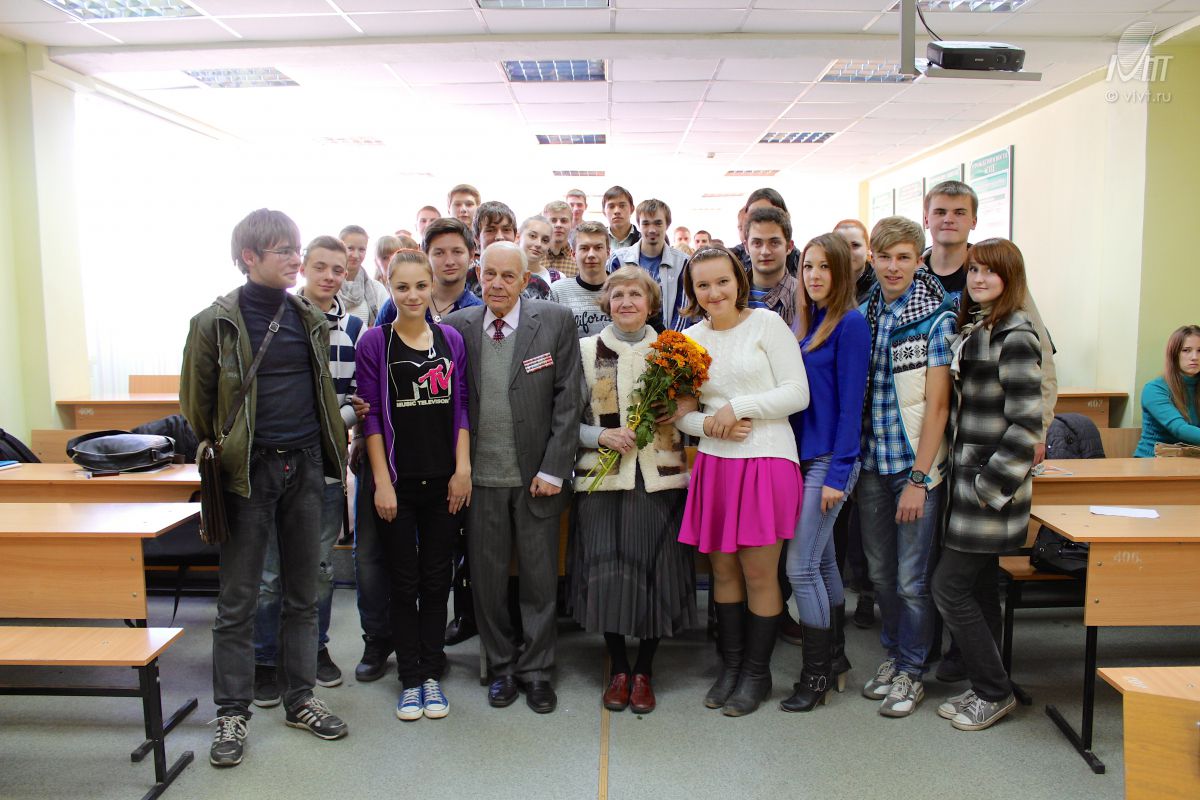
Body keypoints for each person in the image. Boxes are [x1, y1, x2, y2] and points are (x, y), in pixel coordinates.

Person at [181, 209, 349, 768]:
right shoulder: (214, 323)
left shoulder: (307, 316)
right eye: (284, 251)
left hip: (305, 467)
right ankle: (232, 711)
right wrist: (230, 451)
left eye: (296, 248)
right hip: (246, 473)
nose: (296, 259)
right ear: (249, 258)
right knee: (240, 600)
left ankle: (301, 698)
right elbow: (197, 407)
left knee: (304, 592)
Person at [442, 241, 582, 714]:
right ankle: (501, 665)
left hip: (537, 478)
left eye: (508, 276)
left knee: (540, 580)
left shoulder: (555, 321)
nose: (497, 284)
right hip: (479, 480)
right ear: (478, 276)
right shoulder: (458, 327)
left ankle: (537, 670)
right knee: (486, 581)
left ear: (525, 280)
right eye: (490, 274)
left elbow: (569, 401)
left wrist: (554, 469)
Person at [675, 247, 810, 716]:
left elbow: (797, 393)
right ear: (692, 291)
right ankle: (730, 667)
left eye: (722, 282)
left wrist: (739, 408)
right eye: (703, 285)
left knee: (758, 573)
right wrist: (711, 425)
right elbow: (682, 415)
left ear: (739, 281)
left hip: (766, 459)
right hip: (715, 464)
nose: (714, 292)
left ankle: (757, 673)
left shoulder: (767, 325)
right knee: (723, 572)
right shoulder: (688, 341)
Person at [572, 267, 697, 714]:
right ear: (606, 302)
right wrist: (599, 436)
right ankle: (619, 668)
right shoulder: (585, 350)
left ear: (652, 303)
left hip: (661, 479)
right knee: (607, 574)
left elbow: (694, 409)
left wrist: (681, 408)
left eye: (636, 295)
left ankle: (644, 668)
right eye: (618, 294)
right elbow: (564, 418)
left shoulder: (672, 352)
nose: (627, 302)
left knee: (655, 572)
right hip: (602, 480)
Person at [356, 249, 472, 722]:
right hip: (397, 484)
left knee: (437, 579)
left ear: (431, 287)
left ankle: (430, 671)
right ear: (389, 286)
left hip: (444, 481)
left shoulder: (450, 339)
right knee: (403, 582)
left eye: (420, 286)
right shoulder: (375, 342)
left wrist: (462, 470)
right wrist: (382, 483)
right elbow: (371, 420)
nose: (412, 295)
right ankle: (409, 677)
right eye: (401, 287)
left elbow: (460, 405)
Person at [252, 235, 365, 707]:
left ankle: (315, 649)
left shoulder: (355, 327)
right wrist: (320, 416)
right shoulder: (279, 320)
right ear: (303, 269)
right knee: (270, 573)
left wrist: (328, 420)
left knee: (318, 569)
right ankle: (264, 659)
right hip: (275, 463)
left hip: (326, 467)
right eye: (320, 267)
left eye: (338, 270)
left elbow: (359, 399)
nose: (329, 276)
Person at [934, 237, 1042, 731]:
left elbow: (1027, 427)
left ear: (1009, 278)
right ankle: (988, 684)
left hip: (988, 491)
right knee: (977, 590)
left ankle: (995, 691)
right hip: (969, 483)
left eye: (990, 272)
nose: (978, 279)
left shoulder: (1016, 334)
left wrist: (986, 487)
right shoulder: (982, 326)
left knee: (948, 587)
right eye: (974, 270)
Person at [856, 215, 956, 718]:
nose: (893, 267)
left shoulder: (936, 319)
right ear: (872, 259)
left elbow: (937, 407)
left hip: (914, 470)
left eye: (903, 258)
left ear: (919, 261)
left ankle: (913, 670)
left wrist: (920, 478)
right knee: (880, 575)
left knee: (913, 580)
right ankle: (895, 657)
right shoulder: (863, 314)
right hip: (872, 466)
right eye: (884, 257)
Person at [780, 233, 870, 713]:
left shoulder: (850, 323)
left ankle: (814, 676)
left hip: (829, 460)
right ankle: (835, 658)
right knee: (824, 561)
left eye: (825, 267)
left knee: (799, 567)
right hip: (801, 456)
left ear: (841, 273)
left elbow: (852, 405)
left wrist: (838, 474)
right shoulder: (804, 323)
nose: (814, 275)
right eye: (808, 266)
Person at [832, 217, 877, 629]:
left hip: (869, 433)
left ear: (868, 251)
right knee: (838, 530)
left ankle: (865, 593)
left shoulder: (871, 300)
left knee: (866, 525)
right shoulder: (822, 300)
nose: (849, 254)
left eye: (856, 245)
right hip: (835, 438)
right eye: (841, 246)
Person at [375, 217, 483, 329]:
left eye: (457, 252)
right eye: (439, 253)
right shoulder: (399, 304)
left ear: (471, 255)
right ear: (425, 255)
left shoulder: (478, 312)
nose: (449, 261)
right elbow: (374, 338)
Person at [610, 198, 689, 331]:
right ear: (638, 225)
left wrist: (669, 341)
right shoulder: (618, 260)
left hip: (667, 338)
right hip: (628, 337)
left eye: (658, 223)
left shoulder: (683, 263)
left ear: (667, 224)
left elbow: (683, 310)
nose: (652, 229)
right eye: (646, 223)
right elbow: (611, 304)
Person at [1134, 324, 1200, 456]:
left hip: (1190, 460)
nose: (1195, 357)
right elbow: (1179, 429)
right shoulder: (1154, 389)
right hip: (1153, 460)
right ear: (1174, 354)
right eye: (1186, 350)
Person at [465, 201, 551, 301]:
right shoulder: (464, 282)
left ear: (515, 235)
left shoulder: (537, 286)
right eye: (490, 230)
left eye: (506, 230)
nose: (499, 237)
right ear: (476, 237)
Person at [549, 220, 612, 339]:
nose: (591, 254)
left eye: (598, 248)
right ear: (573, 254)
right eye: (584, 248)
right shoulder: (557, 291)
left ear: (608, 252)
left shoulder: (623, 289)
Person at [744, 206, 799, 329]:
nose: (765, 251)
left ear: (789, 247)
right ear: (746, 247)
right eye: (757, 243)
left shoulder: (804, 297)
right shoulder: (732, 294)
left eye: (774, 243)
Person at [731, 188, 800, 276]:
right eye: (754, 214)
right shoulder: (734, 258)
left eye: (770, 213)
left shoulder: (801, 262)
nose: (762, 218)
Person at [338, 224, 389, 326]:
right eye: (350, 248)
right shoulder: (329, 285)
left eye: (361, 249)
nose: (356, 255)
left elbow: (387, 325)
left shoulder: (377, 289)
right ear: (339, 248)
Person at [834, 219, 877, 304]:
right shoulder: (823, 283)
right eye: (840, 245)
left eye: (855, 245)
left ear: (868, 248)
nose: (847, 252)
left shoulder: (882, 288)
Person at [520, 215, 562, 287]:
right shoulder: (501, 272)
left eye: (545, 240)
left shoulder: (558, 279)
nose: (538, 244)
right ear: (518, 236)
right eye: (532, 236)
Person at [543, 200, 577, 278]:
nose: (558, 225)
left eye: (564, 221)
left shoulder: (578, 260)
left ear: (571, 224)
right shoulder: (535, 257)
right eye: (553, 220)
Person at [603, 185, 640, 251]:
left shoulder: (643, 240)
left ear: (632, 209)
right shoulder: (596, 239)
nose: (617, 211)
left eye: (622, 206)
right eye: (611, 206)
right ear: (604, 211)